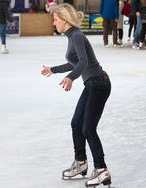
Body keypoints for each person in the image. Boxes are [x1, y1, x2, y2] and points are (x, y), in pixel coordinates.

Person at [41, 4, 112, 187]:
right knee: (76, 123)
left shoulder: (77, 35)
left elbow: (83, 61)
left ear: (64, 20)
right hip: (92, 84)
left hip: (99, 83)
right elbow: (74, 63)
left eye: (56, 20)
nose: (54, 23)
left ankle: (102, 170)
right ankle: (81, 163)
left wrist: (71, 78)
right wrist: (53, 70)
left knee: (88, 128)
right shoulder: (72, 36)